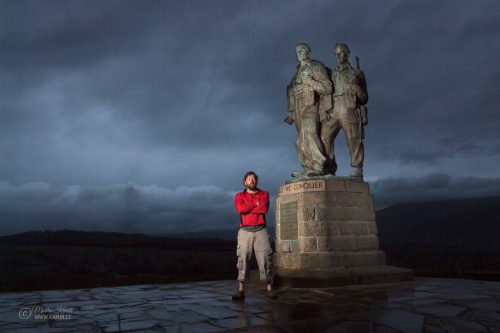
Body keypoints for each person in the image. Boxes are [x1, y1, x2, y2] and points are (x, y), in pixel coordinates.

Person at [320, 43, 368, 178]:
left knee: (353, 139)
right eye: (335, 53)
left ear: (347, 54)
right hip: (334, 108)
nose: (337, 56)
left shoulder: (357, 73)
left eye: (339, 53)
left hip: (349, 107)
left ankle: (357, 169)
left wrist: (357, 89)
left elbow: (365, 98)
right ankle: (329, 168)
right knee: (324, 137)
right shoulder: (331, 73)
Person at [286, 43, 333, 178]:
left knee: (310, 132)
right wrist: (291, 113)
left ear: (309, 53)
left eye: (302, 50)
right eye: (297, 51)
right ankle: (308, 168)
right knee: (300, 140)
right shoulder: (295, 74)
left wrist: (310, 82)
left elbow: (327, 87)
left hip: (311, 106)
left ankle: (319, 165)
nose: (299, 53)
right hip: (297, 110)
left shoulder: (316, 67)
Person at [232, 171, 277, 300]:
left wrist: (249, 206)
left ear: (256, 181)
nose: (252, 181)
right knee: (243, 260)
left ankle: (269, 289)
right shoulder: (239, 195)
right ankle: (241, 290)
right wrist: (255, 204)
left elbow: (263, 209)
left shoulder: (264, 194)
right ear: (245, 182)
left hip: (261, 230)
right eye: (249, 179)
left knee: (265, 260)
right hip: (245, 231)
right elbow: (240, 209)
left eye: (254, 179)